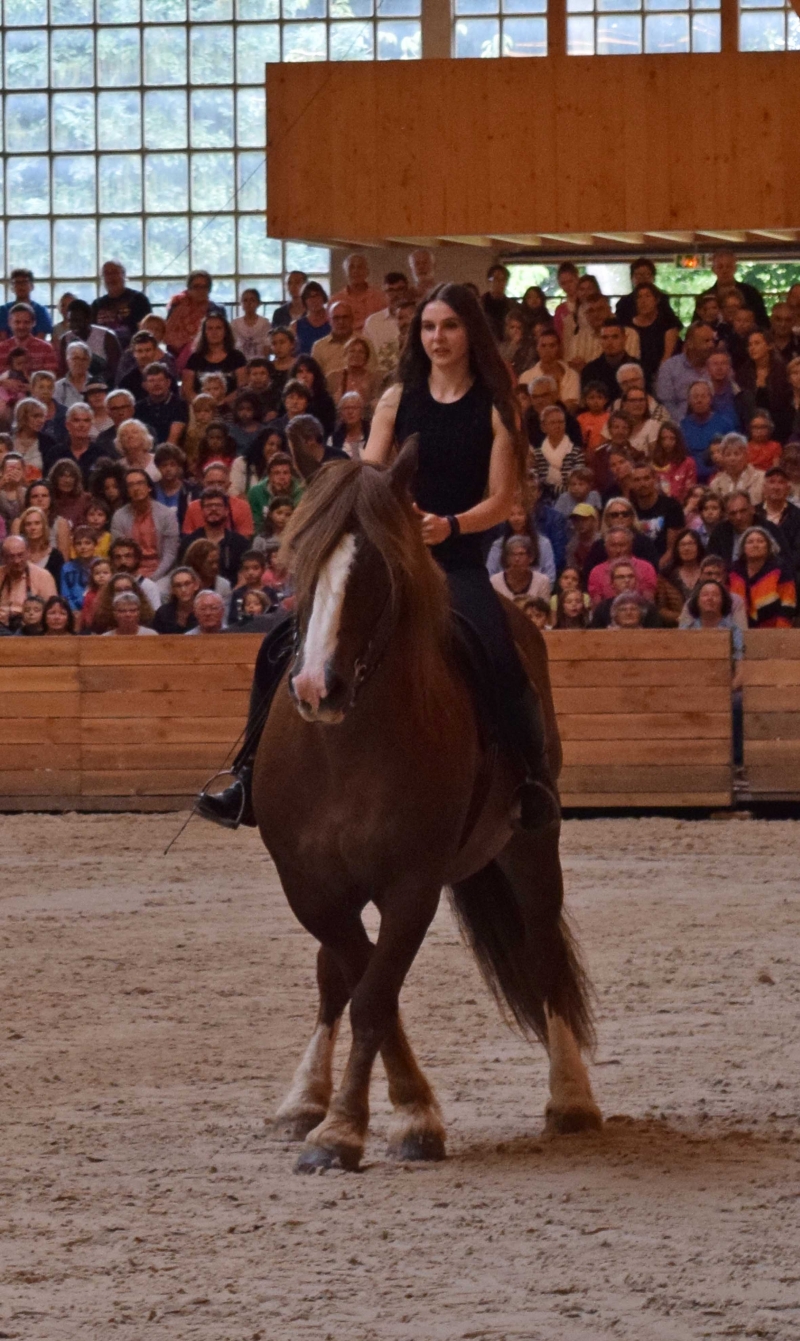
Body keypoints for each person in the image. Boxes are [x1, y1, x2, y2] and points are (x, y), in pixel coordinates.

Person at [198, 282, 559, 830]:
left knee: (502, 657)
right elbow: (370, 471)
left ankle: (531, 783)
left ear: (470, 335)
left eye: (450, 326)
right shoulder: (395, 398)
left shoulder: (496, 407)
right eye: (430, 327)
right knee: (277, 644)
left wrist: (451, 524)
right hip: (392, 554)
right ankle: (246, 778)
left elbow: (502, 499)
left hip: (456, 559)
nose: (438, 337)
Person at [109, 468, 180, 581]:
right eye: (131, 485)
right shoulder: (119, 516)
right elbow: (119, 552)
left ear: (149, 487)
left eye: (140, 483)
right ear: (127, 491)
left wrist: (152, 578)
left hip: (162, 572)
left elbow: (170, 553)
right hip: (130, 572)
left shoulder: (167, 514)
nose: (136, 488)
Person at [180, 487, 250, 584]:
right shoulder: (189, 543)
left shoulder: (241, 543)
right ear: (202, 511)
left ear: (226, 510)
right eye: (208, 506)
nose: (213, 509)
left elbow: (245, 575)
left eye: (218, 505)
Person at [730, 527, 796, 627]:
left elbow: (788, 603)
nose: (755, 545)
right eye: (750, 542)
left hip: (773, 631)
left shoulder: (780, 570)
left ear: (769, 546)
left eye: (760, 541)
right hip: (737, 630)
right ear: (743, 548)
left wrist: (780, 633)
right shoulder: (733, 571)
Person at [736, 330, 793, 443]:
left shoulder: (783, 371)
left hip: (780, 427)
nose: (752, 348)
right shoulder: (743, 373)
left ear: (769, 346)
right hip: (752, 428)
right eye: (750, 345)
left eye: (757, 343)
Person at [486, 496, 556, 584]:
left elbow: (550, 577)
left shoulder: (543, 543)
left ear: (527, 517)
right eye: (512, 514)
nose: (516, 518)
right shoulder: (498, 545)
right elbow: (489, 574)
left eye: (520, 514)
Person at [655, 322, 715, 424]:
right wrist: (685, 423)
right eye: (706, 341)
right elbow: (666, 404)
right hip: (679, 426)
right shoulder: (670, 368)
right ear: (690, 344)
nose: (711, 345)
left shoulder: (718, 366)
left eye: (713, 340)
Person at [629, 462, 685, 565]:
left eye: (646, 478)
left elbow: (672, 549)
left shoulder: (672, 506)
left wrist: (654, 570)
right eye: (637, 480)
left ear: (654, 479)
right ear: (631, 484)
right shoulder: (628, 510)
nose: (642, 484)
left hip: (666, 566)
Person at [164, 270, 225, 365]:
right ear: (189, 288)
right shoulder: (177, 305)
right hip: (177, 355)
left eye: (204, 287)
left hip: (209, 355)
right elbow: (169, 334)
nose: (200, 290)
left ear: (209, 289)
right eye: (196, 287)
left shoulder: (217, 309)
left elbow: (222, 337)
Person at [183, 313, 248, 402]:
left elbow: (242, 388)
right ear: (204, 332)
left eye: (218, 328)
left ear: (225, 331)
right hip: (201, 410)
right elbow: (187, 390)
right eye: (210, 328)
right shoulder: (194, 358)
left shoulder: (237, 357)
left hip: (230, 408)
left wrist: (223, 402)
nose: (214, 332)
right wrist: (202, 404)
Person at [680, 381, 736, 482]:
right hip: (690, 478)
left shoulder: (725, 424)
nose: (699, 400)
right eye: (695, 397)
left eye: (703, 396)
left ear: (710, 399)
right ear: (689, 400)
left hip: (720, 477)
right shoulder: (683, 426)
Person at [587, 526, 658, 606]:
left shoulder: (646, 568)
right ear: (606, 547)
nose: (618, 550)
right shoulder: (596, 572)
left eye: (622, 545)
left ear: (631, 545)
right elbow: (597, 607)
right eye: (613, 546)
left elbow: (648, 603)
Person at [183, 460, 254, 537]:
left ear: (229, 484)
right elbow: (188, 539)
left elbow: (244, 540)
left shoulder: (242, 506)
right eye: (211, 483)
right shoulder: (193, 507)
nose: (215, 487)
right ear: (203, 484)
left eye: (220, 483)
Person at [700, 249, 768, 329]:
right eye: (720, 267)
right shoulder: (706, 297)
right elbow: (698, 326)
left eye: (728, 266)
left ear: (735, 268)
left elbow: (763, 323)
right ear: (713, 270)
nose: (724, 270)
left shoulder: (751, 293)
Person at [0, 535, 57, 630]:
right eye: (11, 557)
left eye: (20, 555)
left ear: (28, 553)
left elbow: (51, 611)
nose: (16, 561)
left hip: (33, 630)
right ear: (3, 558)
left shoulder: (43, 576)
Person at [90, 261, 152, 349]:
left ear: (123, 275)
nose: (111, 277)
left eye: (115, 272)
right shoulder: (96, 305)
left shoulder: (139, 300)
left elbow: (148, 330)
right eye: (106, 273)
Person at [530, 405, 584, 501]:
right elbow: (535, 484)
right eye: (553, 423)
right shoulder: (536, 454)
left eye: (561, 422)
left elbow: (578, 485)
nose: (557, 426)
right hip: (541, 500)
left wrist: (549, 488)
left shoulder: (576, 452)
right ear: (543, 427)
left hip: (570, 500)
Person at [580, 319, 643, 401]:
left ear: (624, 339)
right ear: (600, 340)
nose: (609, 342)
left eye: (615, 337)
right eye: (605, 338)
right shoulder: (589, 371)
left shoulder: (638, 368)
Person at [589, 558, 661, 628]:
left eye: (631, 576)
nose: (627, 580)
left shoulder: (649, 608)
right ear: (612, 583)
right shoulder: (602, 608)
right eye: (621, 577)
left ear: (636, 581)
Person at [59, 299, 121, 381]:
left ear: (88, 319)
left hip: (104, 385)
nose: (73, 325)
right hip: (75, 386)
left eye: (77, 320)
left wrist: (93, 383)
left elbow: (115, 369)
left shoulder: (107, 337)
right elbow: (64, 369)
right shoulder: (65, 339)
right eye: (70, 321)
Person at [364, 272, 410, 379]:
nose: (395, 295)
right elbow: (367, 357)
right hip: (381, 378)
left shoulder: (418, 318)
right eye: (390, 290)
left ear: (407, 291)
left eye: (399, 289)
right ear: (384, 293)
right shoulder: (372, 322)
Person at [754, 466, 800, 572]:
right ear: (764, 488)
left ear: (788, 489)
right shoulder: (754, 513)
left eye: (781, 482)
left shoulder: (797, 515)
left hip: (790, 571)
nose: (776, 487)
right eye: (772, 482)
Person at [490, 535, 552, 606]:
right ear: (507, 558)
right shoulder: (495, 582)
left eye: (521, 554)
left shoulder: (542, 582)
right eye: (512, 554)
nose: (517, 559)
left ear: (531, 558)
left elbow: (544, 611)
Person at [330, 253, 384, 332]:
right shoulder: (335, 301)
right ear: (345, 272)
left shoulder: (380, 298)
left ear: (367, 271)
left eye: (360, 267)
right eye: (351, 267)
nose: (356, 271)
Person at [0, 304, 58, 376]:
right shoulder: (1, 348)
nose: (21, 326)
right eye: (17, 322)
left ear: (34, 323)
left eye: (26, 322)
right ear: (9, 322)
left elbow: (51, 378)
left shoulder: (46, 348)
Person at [709, 433, 765, 507]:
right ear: (722, 458)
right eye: (728, 455)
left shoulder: (762, 478)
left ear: (746, 455)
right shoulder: (715, 485)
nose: (732, 458)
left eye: (737, 454)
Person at [108, 536, 162, 612]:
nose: (123, 561)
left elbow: (155, 617)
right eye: (117, 557)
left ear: (137, 559)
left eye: (128, 556)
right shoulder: (108, 586)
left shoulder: (149, 587)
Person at [90, 570, 155, 633]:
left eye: (127, 589)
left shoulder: (147, 618)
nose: (123, 593)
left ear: (135, 591)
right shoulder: (101, 619)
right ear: (111, 593)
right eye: (118, 590)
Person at [16, 505, 64, 588]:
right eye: (28, 524)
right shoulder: (17, 556)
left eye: (37, 523)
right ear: (23, 529)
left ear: (44, 526)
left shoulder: (56, 556)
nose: (33, 528)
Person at [288, 355, 336, 438]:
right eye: (300, 372)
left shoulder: (325, 400)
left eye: (308, 372)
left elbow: (328, 428)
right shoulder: (287, 397)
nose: (304, 376)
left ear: (315, 375)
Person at [651, 421, 697, 503]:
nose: (667, 443)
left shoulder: (688, 463)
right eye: (663, 439)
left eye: (672, 438)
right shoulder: (653, 463)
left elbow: (690, 491)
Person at [0, 270, 53, 339]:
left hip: (35, 348)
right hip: (9, 348)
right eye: (17, 283)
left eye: (24, 282)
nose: (21, 286)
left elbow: (40, 338)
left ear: (32, 286)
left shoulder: (41, 311)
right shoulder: (3, 310)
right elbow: (3, 338)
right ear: (12, 287)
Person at [182, 537, 232, 605]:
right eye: (210, 563)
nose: (215, 566)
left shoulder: (223, 585)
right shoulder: (181, 584)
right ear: (197, 562)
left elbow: (224, 614)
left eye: (216, 562)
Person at [59, 524, 97, 611]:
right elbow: (65, 595)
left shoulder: (102, 566)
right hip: (74, 611)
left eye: (87, 543)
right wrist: (74, 610)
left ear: (95, 545)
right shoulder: (67, 568)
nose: (83, 547)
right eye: (78, 544)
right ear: (73, 546)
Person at [152, 566, 200, 634]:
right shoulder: (163, 613)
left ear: (196, 585)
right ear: (172, 590)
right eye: (178, 585)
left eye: (187, 584)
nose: (183, 590)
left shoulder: (204, 611)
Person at [231, 288, 271, 361]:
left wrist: (264, 361)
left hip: (259, 361)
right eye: (245, 300)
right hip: (240, 360)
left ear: (258, 303)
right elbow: (232, 344)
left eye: (252, 300)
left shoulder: (264, 323)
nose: (248, 303)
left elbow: (267, 344)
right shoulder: (235, 323)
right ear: (241, 303)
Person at [293, 281, 331, 355]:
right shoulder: (295, 326)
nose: (314, 300)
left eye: (317, 295)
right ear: (304, 301)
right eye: (309, 297)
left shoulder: (333, 321)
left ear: (323, 297)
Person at [331, 392, 370, 460]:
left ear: (361, 411)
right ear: (340, 412)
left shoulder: (371, 435)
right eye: (346, 408)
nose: (350, 412)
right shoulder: (333, 439)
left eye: (354, 408)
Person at [481, 264, 514, 342]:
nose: (499, 282)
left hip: (506, 346)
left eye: (502, 279)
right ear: (488, 281)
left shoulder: (513, 307)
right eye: (495, 279)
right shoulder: (478, 304)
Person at [79, 555, 113, 631]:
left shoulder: (115, 593)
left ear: (112, 574)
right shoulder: (89, 595)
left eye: (105, 573)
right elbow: (87, 616)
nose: (101, 576)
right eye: (97, 573)